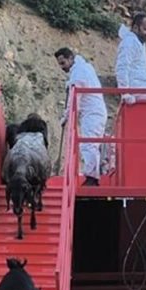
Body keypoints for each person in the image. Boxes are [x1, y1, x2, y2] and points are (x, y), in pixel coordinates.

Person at [55, 47, 108, 186]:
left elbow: (74, 100)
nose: (62, 67)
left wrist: (66, 117)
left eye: (63, 63)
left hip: (92, 112)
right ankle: (93, 175)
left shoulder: (78, 73)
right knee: (90, 144)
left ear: (71, 58)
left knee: (88, 145)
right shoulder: (84, 68)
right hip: (93, 112)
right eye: (60, 64)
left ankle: (92, 178)